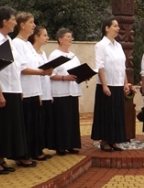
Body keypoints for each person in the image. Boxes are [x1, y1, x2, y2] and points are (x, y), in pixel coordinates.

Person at [0, 6, 34, 172]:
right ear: (4, 21)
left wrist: (19, 89)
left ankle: (1, 157)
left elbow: (15, 67)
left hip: (12, 88)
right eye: (13, 20)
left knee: (8, 126)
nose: (15, 22)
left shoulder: (8, 40)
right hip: (1, 89)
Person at [12, 13, 52, 162]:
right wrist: (42, 72)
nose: (34, 25)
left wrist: (45, 71)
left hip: (35, 89)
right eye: (31, 22)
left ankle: (35, 151)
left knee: (35, 124)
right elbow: (22, 68)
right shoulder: (16, 43)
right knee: (26, 125)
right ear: (22, 25)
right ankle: (23, 155)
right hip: (25, 90)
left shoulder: (28, 45)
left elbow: (35, 65)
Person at [91, 18, 130, 152]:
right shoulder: (101, 45)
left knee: (117, 114)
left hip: (118, 84)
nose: (118, 28)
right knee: (106, 114)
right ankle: (104, 141)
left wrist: (125, 83)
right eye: (115, 26)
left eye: (118, 26)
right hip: (106, 85)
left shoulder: (118, 46)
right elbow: (100, 66)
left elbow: (122, 66)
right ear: (107, 28)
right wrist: (104, 85)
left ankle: (114, 140)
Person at [49, 28, 82, 155]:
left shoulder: (73, 56)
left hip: (73, 91)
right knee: (62, 120)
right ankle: (60, 146)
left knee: (72, 119)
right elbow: (50, 74)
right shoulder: (54, 55)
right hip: (60, 92)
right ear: (60, 39)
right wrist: (64, 78)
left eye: (71, 36)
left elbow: (78, 71)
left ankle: (71, 144)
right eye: (67, 36)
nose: (70, 39)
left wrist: (83, 76)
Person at [30, 26, 55, 153]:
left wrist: (50, 93)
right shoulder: (31, 52)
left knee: (45, 122)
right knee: (37, 123)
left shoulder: (43, 53)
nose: (47, 38)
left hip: (46, 92)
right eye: (44, 35)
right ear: (36, 36)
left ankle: (41, 148)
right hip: (37, 91)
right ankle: (36, 150)